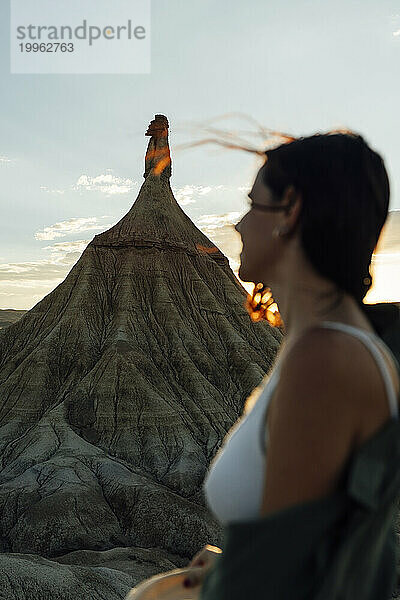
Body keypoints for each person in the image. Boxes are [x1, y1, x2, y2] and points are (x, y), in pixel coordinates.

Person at [184, 131, 400, 598]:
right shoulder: (325, 346)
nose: (238, 225)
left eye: (251, 204)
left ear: (291, 211)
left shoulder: (325, 360)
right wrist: (228, 567)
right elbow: (318, 554)